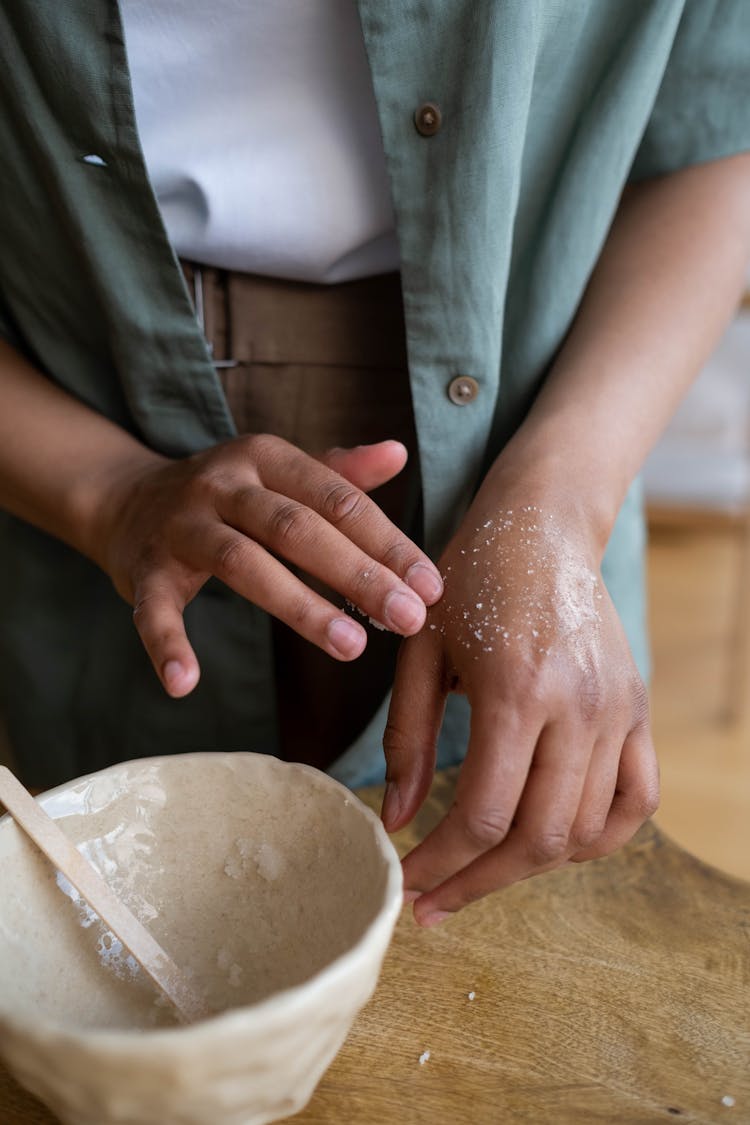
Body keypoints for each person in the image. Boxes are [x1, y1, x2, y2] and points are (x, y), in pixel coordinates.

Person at [0, 1, 749, 928]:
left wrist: (560, 502)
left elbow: (721, 125)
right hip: (64, 413)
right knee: (119, 940)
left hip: (549, 405)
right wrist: (107, 492)